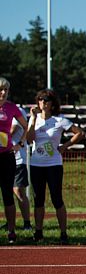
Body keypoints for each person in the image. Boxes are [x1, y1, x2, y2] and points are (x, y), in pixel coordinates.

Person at [26, 89, 84, 244]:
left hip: (53, 164)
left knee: (56, 198)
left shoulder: (60, 120)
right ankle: (38, 232)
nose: (43, 102)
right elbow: (29, 139)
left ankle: (63, 233)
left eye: (46, 100)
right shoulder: (35, 120)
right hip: (36, 164)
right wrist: (32, 119)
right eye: (40, 99)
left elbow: (79, 133)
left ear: (52, 104)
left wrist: (65, 146)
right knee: (38, 199)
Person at [0, 77, 28, 243]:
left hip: (6, 157)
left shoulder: (11, 107)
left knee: (7, 195)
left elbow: (25, 126)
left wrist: (20, 143)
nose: (3, 93)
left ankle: (11, 231)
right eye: (1, 90)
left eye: (6, 90)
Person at [11, 106, 32, 231]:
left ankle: (27, 223)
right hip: (3, 159)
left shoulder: (15, 109)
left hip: (17, 158)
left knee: (19, 191)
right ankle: (10, 223)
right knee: (7, 194)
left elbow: (10, 131)